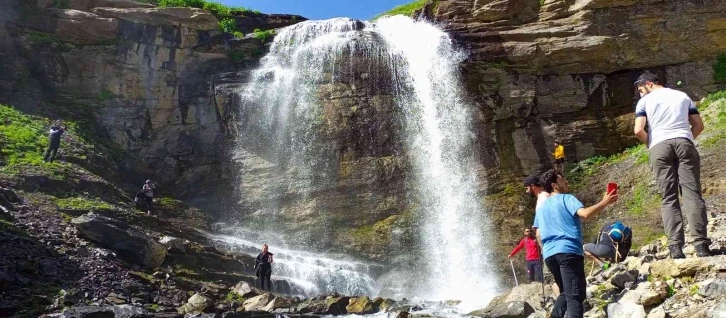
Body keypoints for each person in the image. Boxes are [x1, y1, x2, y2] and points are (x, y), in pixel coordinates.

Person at [632, 71, 711, 258]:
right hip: (684, 141)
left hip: (659, 145)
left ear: (649, 84)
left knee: (668, 197)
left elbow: (638, 130)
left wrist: (651, 144)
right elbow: (698, 125)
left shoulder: (645, 102)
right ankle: (701, 246)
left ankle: (675, 248)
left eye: (641, 90)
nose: (641, 94)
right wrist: (686, 138)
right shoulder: (682, 96)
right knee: (692, 194)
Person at [533, 169, 618, 318]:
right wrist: (606, 201)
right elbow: (585, 214)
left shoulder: (542, 208)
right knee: (575, 296)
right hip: (568, 251)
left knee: (565, 293)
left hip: (549, 255)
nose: (566, 181)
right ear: (554, 185)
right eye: (562, 179)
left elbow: (538, 233)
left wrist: (546, 250)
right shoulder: (566, 198)